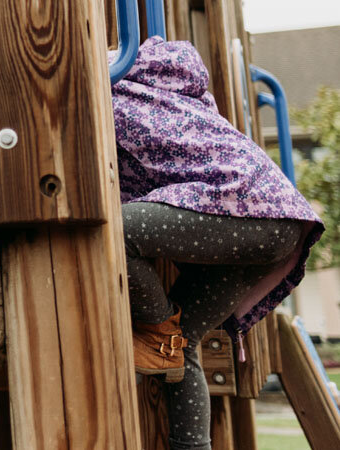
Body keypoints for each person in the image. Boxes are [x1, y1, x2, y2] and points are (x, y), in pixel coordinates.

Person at [114, 36, 322, 450]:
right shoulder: (178, 100)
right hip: (277, 222)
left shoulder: (118, 102)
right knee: (182, 344)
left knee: (116, 231)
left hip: (247, 212)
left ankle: (157, 333)